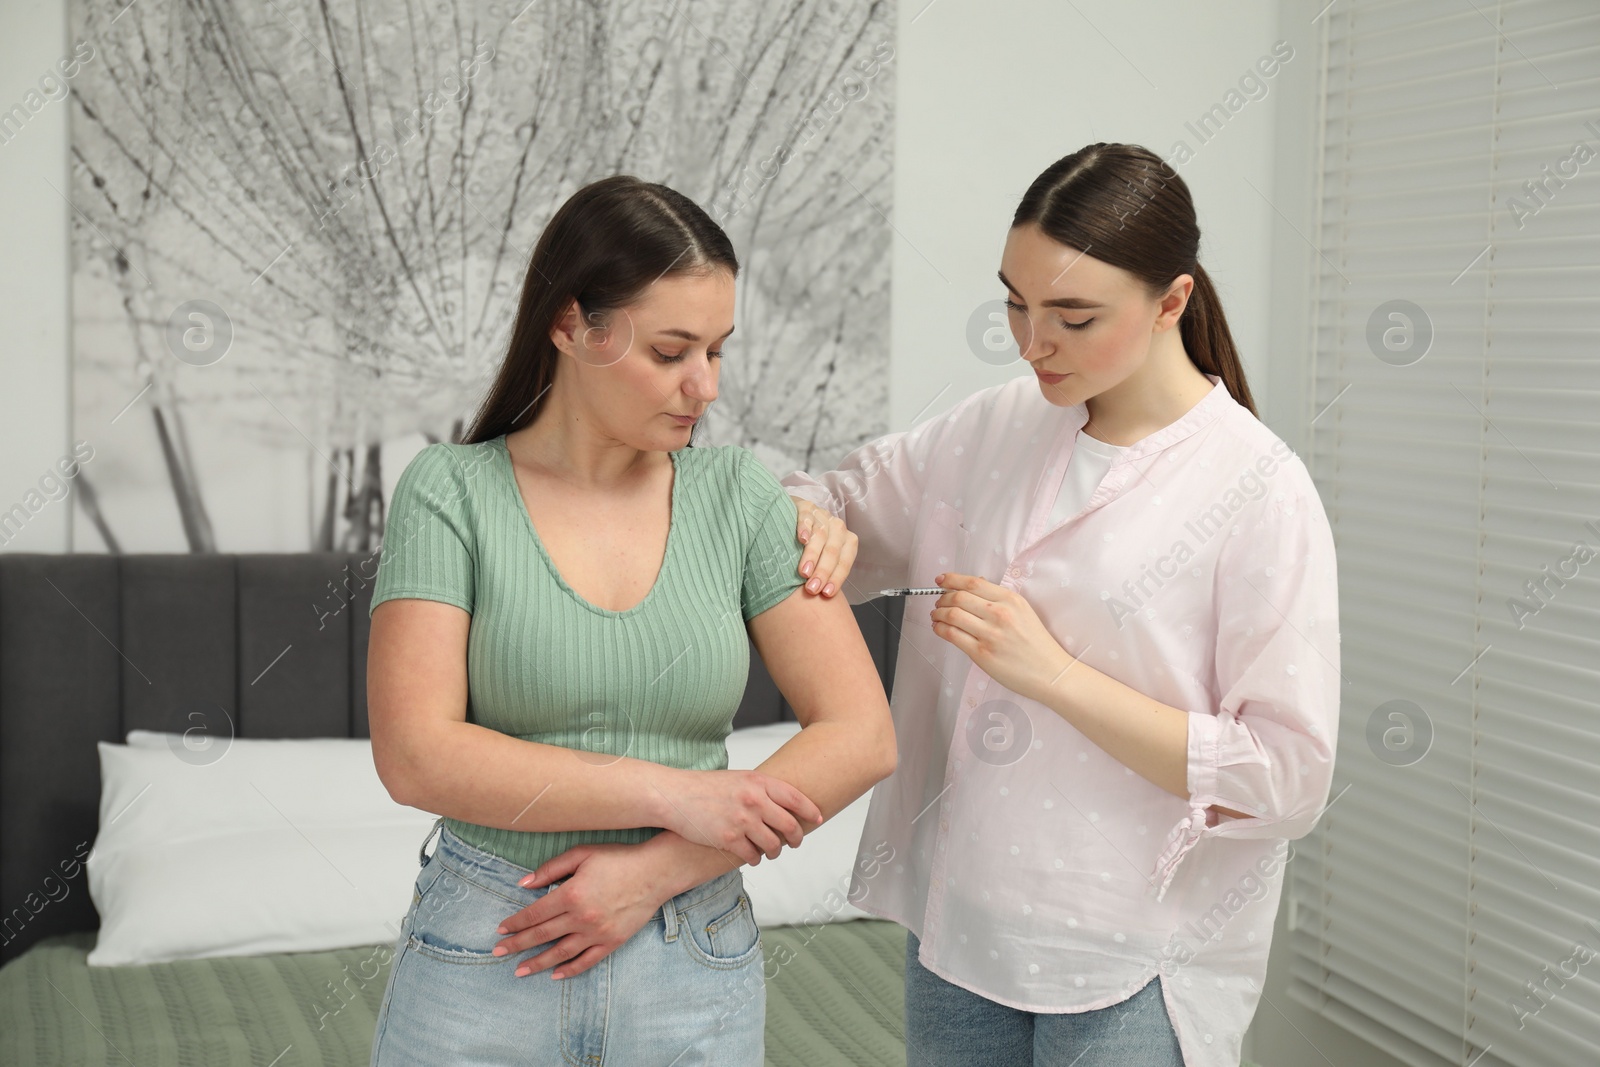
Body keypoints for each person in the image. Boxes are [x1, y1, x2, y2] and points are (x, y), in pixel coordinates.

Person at [780, 142, 1341, 1067]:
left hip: (1131, 957)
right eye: (1015, 301)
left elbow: (1285, 775)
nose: (1032, 342)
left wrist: (1055, 676)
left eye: (1073, 318)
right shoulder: (993, 426)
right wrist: (815, 522)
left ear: (1172, 302)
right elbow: (830, 499)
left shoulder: (1259, 489)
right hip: (955, 927)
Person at [363, 174, 896, 1066]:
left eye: (718, 351)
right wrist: (670, 792)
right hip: (490, 938)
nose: (705, 386)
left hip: (694, 943)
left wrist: (654, 872)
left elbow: (862, 733)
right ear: (570, 325)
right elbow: (416, 756)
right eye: (671, 351)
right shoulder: (449, 492)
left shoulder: (742, 498)